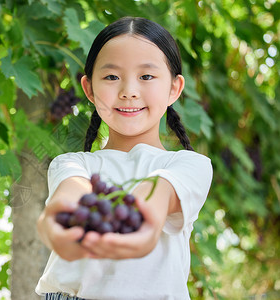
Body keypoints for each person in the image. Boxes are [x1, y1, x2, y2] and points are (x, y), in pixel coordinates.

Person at [35, 16, 213, 300]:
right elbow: (69, 196)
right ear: (89, 89)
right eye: (111, 76)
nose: (128, 91)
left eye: (146, 76)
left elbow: (155, 196)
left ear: (174, 89)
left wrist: (137, 227)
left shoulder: (189, 165)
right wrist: (54, 224)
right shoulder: (73, 163)